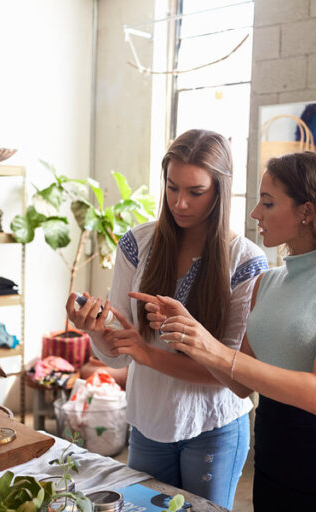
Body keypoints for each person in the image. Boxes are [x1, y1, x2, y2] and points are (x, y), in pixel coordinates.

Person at [141, 151, 316, 511]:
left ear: (306, 211)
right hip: (272, 468)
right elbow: (242, 382)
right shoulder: (268, 283)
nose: (255, 213)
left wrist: (213, 348)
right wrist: (190, 335)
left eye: (268, 202)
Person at [66, 129, 268, 509]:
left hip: (213, 426)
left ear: (220, 191)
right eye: (172, 187)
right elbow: (118, 355)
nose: (180, 203)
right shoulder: (136, 244)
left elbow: (233, 374)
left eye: (196, 192)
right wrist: (94, 331)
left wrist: (146, 353)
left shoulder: (246, 262)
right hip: (148, 421)